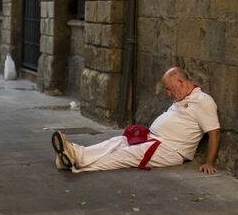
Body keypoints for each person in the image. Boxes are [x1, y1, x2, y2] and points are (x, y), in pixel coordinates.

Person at [51, 67, 221, 174]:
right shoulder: (182, 97)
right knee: (118, 141)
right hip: (155, 139)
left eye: (169, 88)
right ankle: (75, 153)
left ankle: (76, 163)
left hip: (171, 150)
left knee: (125, 155)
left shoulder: (203, 101)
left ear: (180, 81)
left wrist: (209, 163)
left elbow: (214, 133)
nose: (168, 94)